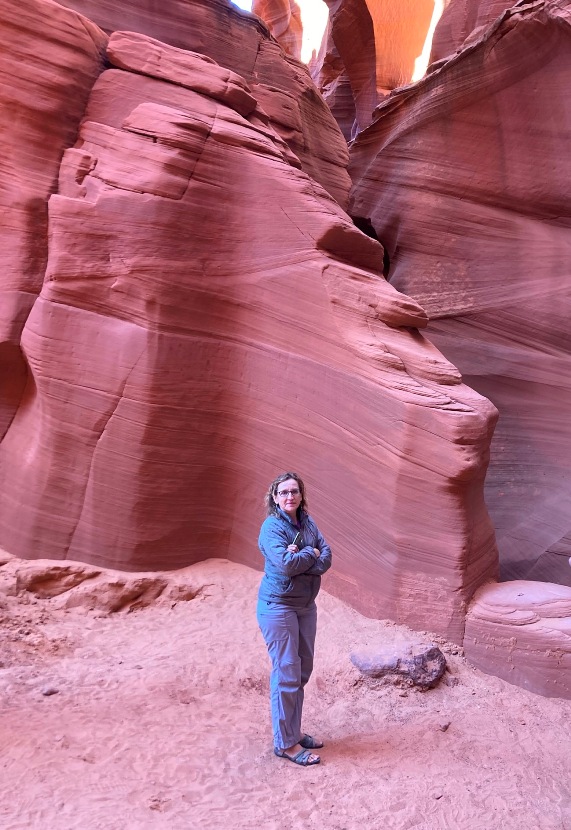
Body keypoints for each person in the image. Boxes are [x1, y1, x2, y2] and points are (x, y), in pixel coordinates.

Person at [257, 472, 332, 767]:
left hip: (304, 606)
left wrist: (306, 553)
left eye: (295, 492)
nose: (290, 497)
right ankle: (286, 743)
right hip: (278, 607)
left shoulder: (308, 522)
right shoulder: (271, 527)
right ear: (275, 497)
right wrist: (309, 554)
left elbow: (326, 557)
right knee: (287, 672)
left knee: (302, 670)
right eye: (284, 492)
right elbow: (287, 566)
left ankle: (293, 731)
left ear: (301, 495)